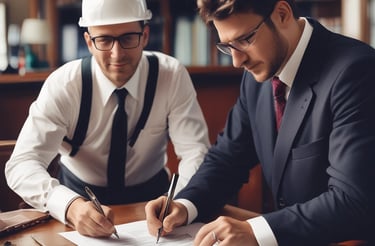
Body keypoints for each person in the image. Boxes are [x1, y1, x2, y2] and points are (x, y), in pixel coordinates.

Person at [145, 0, 375, 245]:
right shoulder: (257, 76)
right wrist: (185, 204)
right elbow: (227, 158)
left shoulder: (357, 71)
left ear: (282, 14)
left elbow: (353, 201)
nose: (236, 61)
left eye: (245, 40)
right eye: (227, 46)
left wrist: (256, 231)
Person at [5, 0, 210, 238]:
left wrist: (180, 201)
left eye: (128, 38)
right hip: (77, 204)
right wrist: (69, 205)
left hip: (154, 205)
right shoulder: (64, 85)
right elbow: (22, 164)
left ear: (145, 35)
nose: (117, 54)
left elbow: (197, 152)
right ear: (89, 42)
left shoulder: (171, 76)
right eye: (104, 40)